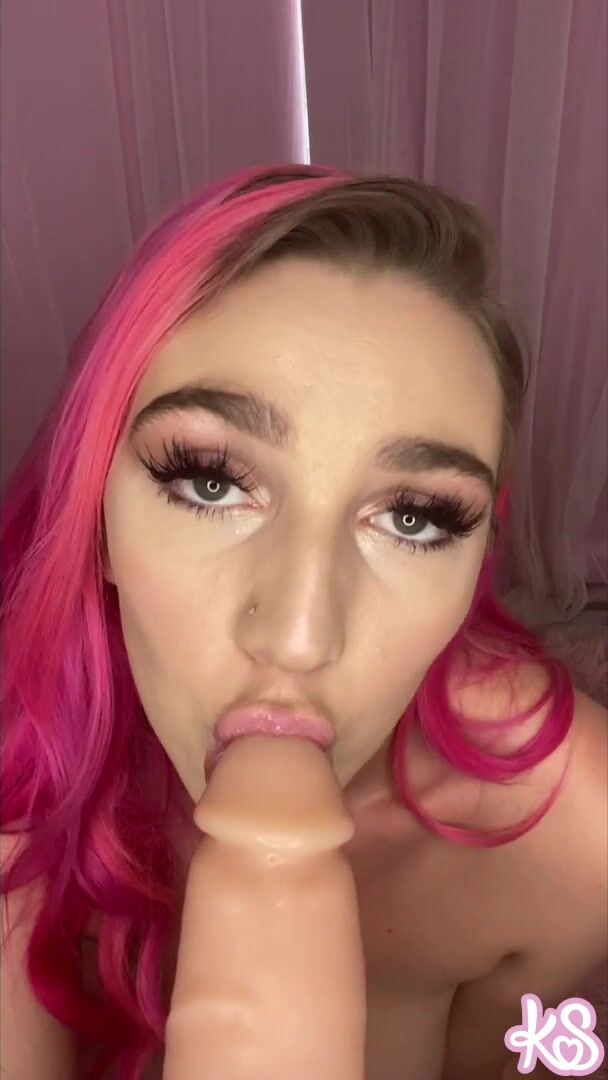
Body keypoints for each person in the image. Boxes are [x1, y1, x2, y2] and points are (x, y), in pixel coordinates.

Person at [1, 163, 606, 1080]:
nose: (297, 637)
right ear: (98, 521)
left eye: (415, 518)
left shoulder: (577, 838)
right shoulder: (17, 779)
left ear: (479, 554)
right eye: (210, 482)